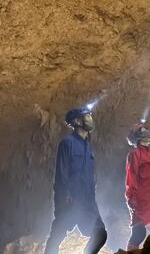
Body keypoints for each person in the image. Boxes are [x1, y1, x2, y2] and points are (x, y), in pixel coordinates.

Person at [44, 107, 107, 254]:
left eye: (90, 116)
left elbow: (91, 177)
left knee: (100, 233)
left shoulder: (89, 147)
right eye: (87, 116)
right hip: (70, 200)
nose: (90, 119)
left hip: (88, 201)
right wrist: (63, 197)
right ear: (77, 121)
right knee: (56, 237)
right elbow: (61, 173)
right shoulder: (67, 143)